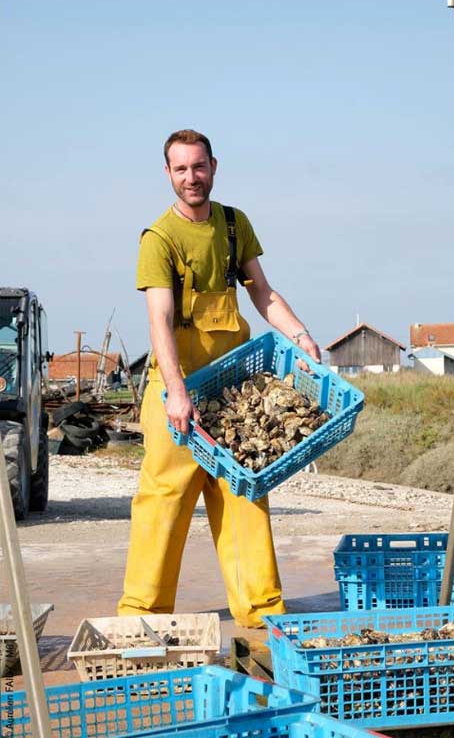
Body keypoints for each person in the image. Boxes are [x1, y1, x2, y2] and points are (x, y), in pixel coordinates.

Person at [118, 129, 321, 627]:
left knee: (245, 496)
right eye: (181, 169)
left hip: (232, 392)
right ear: (168, 174)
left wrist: (301, 335)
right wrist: (177, 393)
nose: (192, 177)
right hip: (178, 392)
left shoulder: (234, 224)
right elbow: (159, 321)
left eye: (199, 166)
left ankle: (261, 616)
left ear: (214, 166)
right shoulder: (158, 239)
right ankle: (141, 617)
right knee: (164, 503)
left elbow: (263, 293)